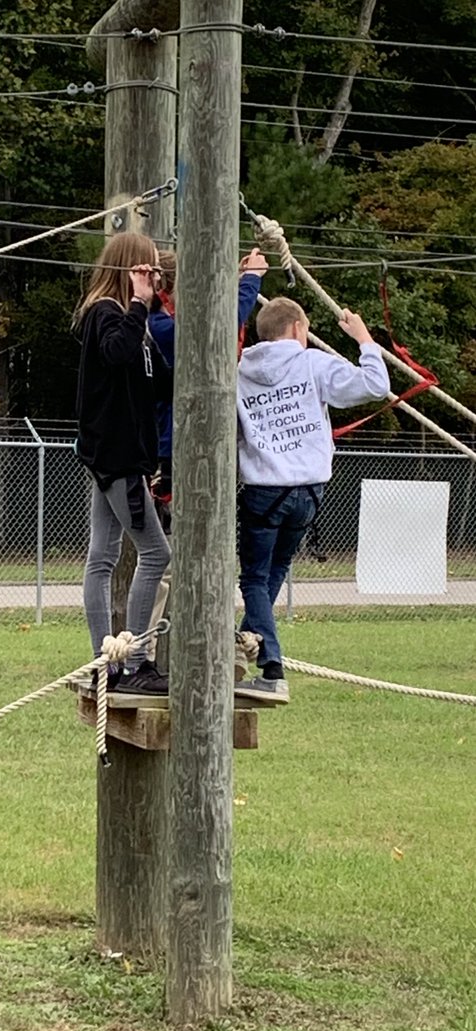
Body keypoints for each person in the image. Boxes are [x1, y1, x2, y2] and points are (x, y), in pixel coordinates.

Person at [233, 297, 390, 704]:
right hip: (308, 490)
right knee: (271, 572)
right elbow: (376, 385)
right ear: (299, 329)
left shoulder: (238, 370)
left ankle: (263, 661)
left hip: (263, 489)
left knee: (254, 576)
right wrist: (364, 339)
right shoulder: (313, 364)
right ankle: (259, 656)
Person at [145, 246, 269, 670]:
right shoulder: (159, 325)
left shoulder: (174, 321)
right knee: (167, 564)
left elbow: (214, 324)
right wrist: (249, 283)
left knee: (212, 554)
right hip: (174, 454)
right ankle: (139, 656)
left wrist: (237, 281)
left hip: (208, 452)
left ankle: (221, 648)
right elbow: (212, 332)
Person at [74, 231, 171, 696]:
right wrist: (138, 305)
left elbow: (158, 384)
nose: (154, 278)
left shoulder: (139, 323)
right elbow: (115, 354)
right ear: (129, 271)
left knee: (104, 556)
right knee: (156, 553)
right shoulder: (105, 314)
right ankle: (133, 662)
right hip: (116, 456)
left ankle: (106, 662)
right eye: (146, 270)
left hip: (124, 454)